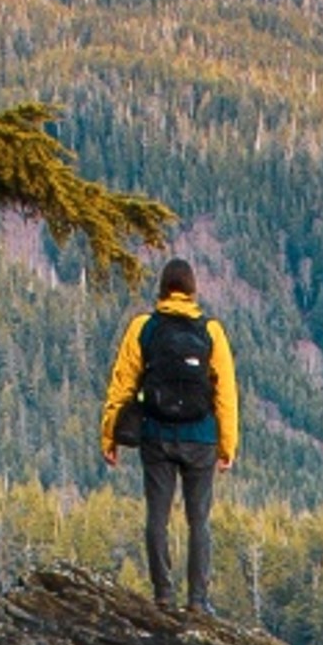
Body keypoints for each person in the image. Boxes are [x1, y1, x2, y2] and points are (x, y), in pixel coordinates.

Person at [97, 260, 240, 613]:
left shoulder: (144, 328)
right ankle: (198, 600)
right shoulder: (211, 331)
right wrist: (227, 444)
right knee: (199, 520)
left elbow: (123, 384)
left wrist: (109, 436)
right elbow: (226, 393)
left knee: (157, 516)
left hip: (156, 434)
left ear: (161, 290)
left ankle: (163, 594)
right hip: (201, 437)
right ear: (192, 292)